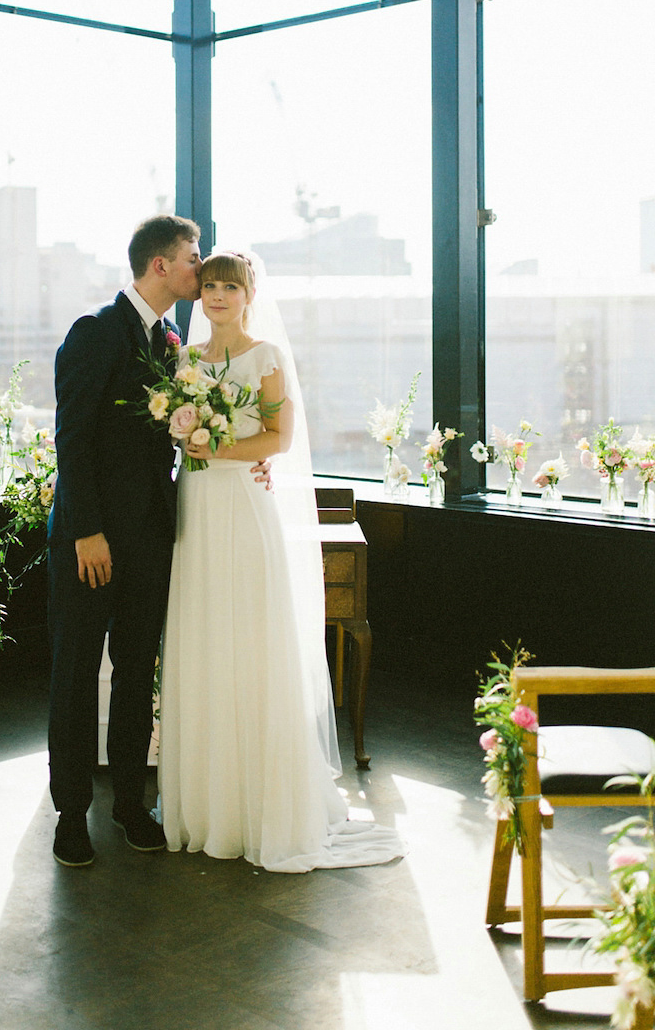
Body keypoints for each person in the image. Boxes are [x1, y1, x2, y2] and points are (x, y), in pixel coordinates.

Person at [158, 250, 405, 872]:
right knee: (206, 639)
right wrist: (187, 438)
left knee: (251, 639)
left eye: (229, 287)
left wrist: (217, 446)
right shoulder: (185, 362)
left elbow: (279, 440)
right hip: (197, 510)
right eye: (209, 286)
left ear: (249, 294)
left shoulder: (265, 357)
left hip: (243, 506)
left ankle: (264, 803)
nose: (216, 296)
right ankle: (211, 803)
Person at [47, 216, 271, 868]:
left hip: (150, 537)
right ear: (159, 267)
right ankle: (69, 816)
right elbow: (73, 440)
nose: (201, 271)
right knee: (75, 675)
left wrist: (240, 455)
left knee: (137, 671)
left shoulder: (175, 340)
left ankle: (128, 806)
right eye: (192, 259)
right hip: (90, 542)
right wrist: (87, 531)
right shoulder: (94, 334)